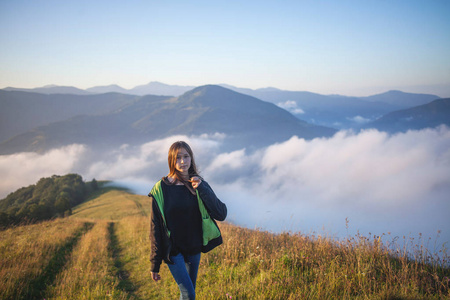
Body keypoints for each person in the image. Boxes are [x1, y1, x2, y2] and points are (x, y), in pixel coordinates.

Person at [148, 141, 227, 299]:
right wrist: (155, 263)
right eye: (178, 158)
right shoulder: (160, 189)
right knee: (188, 293)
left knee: (188, 293)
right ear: (171, 160)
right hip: (173, 251)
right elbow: (155, 227)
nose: (182, 161)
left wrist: (202, 188)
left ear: (191, 158)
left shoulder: (199, 184)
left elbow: (221, 213)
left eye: (186, 156)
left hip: (194, 248)